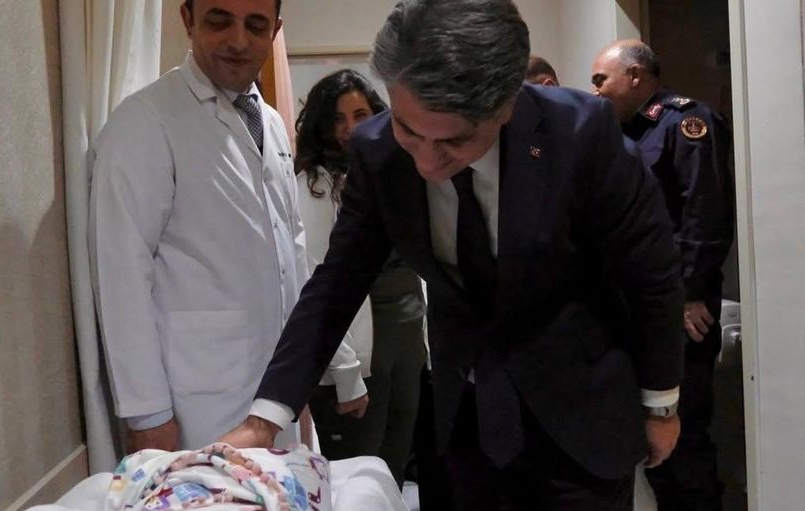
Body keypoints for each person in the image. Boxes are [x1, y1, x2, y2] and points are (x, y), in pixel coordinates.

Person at [222, 1, 686, 509]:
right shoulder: (378, 152)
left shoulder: (578, 134)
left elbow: (651, 273)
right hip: (467, 414)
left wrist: (661, 402)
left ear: (506, 106)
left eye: (453, 142)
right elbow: (337, 284)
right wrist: (266, 417)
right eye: (409, 131)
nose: (426, 161)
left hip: (581, 407)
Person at [88, 0, 366, 453]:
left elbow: (293, 257)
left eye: (255, 26)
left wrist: (303, 386)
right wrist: (148, 415)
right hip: (195, 403)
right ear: (188, 20)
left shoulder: (271, 123)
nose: (238, 41)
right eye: (219, 21)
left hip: (276, 396)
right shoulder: (145, 122)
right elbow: (121, 275)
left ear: (274, 30)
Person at [591, 39, 735, 511]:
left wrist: (690, 294)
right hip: (637, 307)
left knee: (683, 438)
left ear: (634, 76)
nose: (594, 91)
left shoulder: (685, 123)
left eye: (601, 80)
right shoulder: (622, 132)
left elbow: (704, 216)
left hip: (679, 308)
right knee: (648, 441)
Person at [294, 69, 427, 486]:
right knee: (357, 477)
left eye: (360, 115)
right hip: (357, 350)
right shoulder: (314, 185)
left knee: (395, 469)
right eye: (338, 119)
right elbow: (319, 282)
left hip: (407, 339)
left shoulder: (396, 173)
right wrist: (346, 373)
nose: (350, 128)